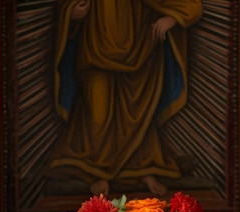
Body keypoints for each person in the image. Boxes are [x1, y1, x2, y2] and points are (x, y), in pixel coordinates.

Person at [48, 0, 203, 196]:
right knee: (98, 115)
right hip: (97, 51)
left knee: (138, 114)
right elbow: (65, 5)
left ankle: (143, 170)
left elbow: (191, 5)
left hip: (141, 50)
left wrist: (172, 18)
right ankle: (100, 172)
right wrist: (70, 13)